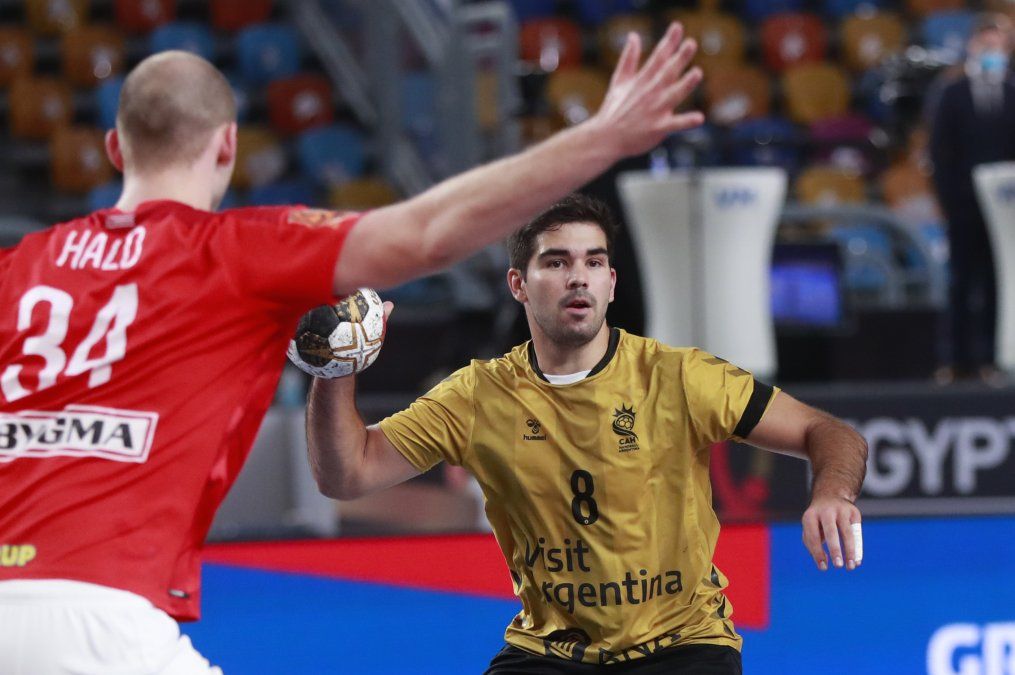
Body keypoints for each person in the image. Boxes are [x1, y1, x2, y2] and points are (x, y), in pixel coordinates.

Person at [0, 22, 705, 673]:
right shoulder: (238, 250)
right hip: (102, 617)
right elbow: (427, 233)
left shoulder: (20, 265)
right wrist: (602, 139)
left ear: (115, 147)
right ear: (228, 146)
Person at [305, 195, 869, 673]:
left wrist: (832, 494)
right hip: (550, 650)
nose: (578, 277)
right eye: (556, 262)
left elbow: (828, 431)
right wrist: (336, 370)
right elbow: (347, 475)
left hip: (682, 645)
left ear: (611, 282)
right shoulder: (478, 396)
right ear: (518, 284)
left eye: (593, 262)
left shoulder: (678, 377)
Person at [929, 13, 1015, 383]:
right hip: (963, 205)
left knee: (1000, 282)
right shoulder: (953, 94)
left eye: (999, 45)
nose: (992, 51)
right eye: (986, 44)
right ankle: (956, 361)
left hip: (1007, 208)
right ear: (972, 46)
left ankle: (993, 359)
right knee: (962, 282)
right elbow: (941, 152)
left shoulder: (1012, 93)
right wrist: (949, 200)